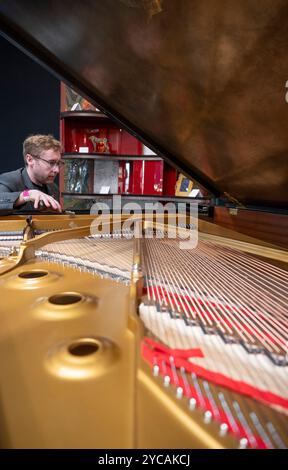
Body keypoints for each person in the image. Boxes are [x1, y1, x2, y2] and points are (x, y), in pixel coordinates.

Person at [0, 134, 62, 212]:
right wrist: (27, 194)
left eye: (58, 163)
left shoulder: (53, 188)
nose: (57, 170)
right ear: (30, 160)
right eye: (51, 163)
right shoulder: (9, 180)